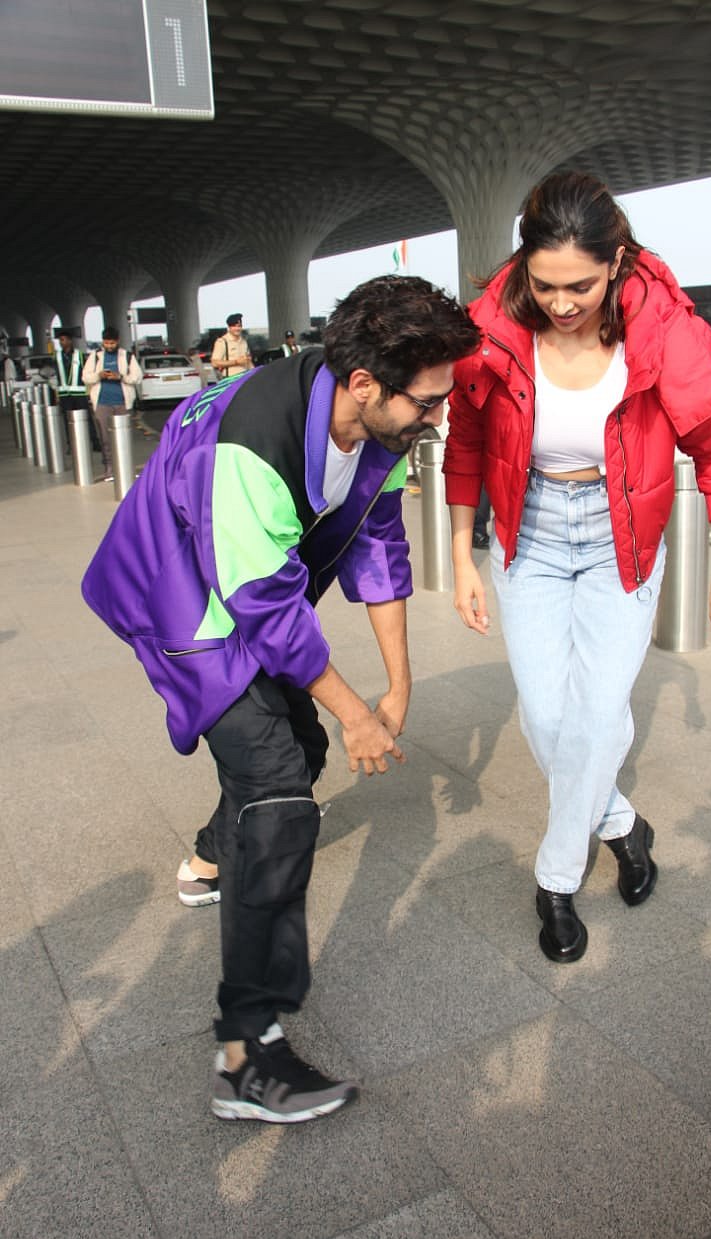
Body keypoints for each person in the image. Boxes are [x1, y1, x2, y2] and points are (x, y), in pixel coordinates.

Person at [82, 275, 480, 1123]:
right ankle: (246, 1056)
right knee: (278, 792)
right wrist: (355, 708)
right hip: (176, 589)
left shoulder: (370, 425)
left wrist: (398, 684)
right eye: (429, 401)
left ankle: (206, 863)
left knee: (298, 753)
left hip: (238, 576)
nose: (438, 417)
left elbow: (378, 544)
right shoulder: (252, 438)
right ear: (365, 383)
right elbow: (262, 604)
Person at [444, 172, 711, 964]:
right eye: (543, 285)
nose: (561, 302)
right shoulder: (494, 327)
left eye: (579, 284)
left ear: (615, 262)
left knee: (593, 713)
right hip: (529, 534)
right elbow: (466, 445)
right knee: (548, 718)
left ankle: (555, 877)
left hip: (624, 541)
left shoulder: (666, 331)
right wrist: (460, 555)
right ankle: (622, 825)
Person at [82, 326, 142, 480]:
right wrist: (99, 375)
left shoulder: (127, 356)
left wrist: (120, 377)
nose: (109, 346)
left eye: (112, 343)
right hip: (102, 402)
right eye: (106, 343)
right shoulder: (95, 356)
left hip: (123, 402)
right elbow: (85, 377)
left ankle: (126, 467)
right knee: (105, 437)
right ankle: (109, 468)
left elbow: (137, 377)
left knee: (124, 436)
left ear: (118, 342)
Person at [54, 328, 98, 451]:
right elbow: (55, 375)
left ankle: (94, 441)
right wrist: (56, 393)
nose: (61, 342)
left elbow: (87, 373)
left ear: (69, 341)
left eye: (63, 340)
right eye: (60, 340)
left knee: (87, 418)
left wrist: (89, 392)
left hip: (79, 394)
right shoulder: (57, 356)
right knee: (68, 421)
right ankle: (71, 444)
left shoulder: (79, 355)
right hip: (64, 394)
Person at [210, 313, 253, 380]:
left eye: (239, 326)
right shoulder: (222, 342)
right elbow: (214, 363)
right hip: (229, 379)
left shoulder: (244, 342)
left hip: (244, 378)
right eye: (234, 326)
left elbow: (248, 361)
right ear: (229, 327)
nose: (237, 328)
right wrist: (236, 362)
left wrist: (254, 372)